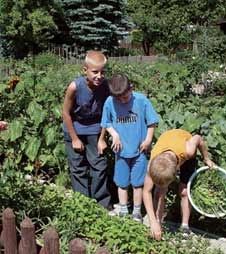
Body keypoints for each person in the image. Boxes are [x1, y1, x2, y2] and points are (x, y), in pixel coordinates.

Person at [100, 73, 159, 222]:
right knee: (122, 182)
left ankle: (137, 211)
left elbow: (151, 122)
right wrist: (114, 134)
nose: (121, 100)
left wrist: (148, 140)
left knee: (138, 183)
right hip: (121, 151)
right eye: (118, 98)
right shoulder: (110, 102)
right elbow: (106, 122)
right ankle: (123, 209)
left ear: (131, 88)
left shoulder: (141, 100)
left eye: (124, 97)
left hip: (140, 151)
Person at [143, 129, 215, 240]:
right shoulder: (151, 165)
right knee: (159, 192)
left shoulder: (188, 150)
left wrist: (206, 158)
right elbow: (146, 191)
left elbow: (198, 138)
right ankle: (158, 222)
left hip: (183, 147)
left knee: (184, 191)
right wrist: (152, 222)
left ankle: (185, 226)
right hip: (166, 144)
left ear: (175, 172)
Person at [62, 50, 111, 209]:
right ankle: (82, 204)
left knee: (99, 165)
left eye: (102, 72)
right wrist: (75, 138)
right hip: (74, 129)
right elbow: (66, 113)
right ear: (85, 70)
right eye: (95, 72)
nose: (99, 76)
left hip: (95, 130)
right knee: (78, 167)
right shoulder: (75, 87)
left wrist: (102, 139)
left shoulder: (105, 86)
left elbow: (106, 113)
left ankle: (101, 203)